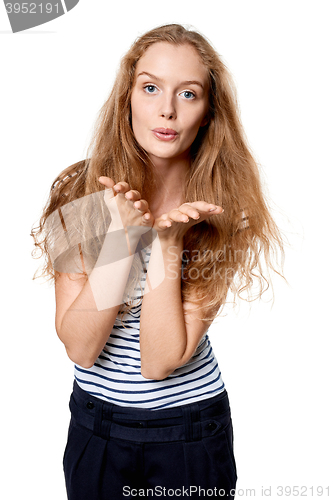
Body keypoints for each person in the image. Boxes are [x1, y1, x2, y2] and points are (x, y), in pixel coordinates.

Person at [31, 23, 284, 500]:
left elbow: (159, 361)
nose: (167, 109)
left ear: (209, 112)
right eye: (150, 88)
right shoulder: (81, 193)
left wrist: (168, 246)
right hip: (96, 427)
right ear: (128, 97)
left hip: (189, 432)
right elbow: (81, 348)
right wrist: (122, 241)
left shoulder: (224, 207)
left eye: (188, 94)